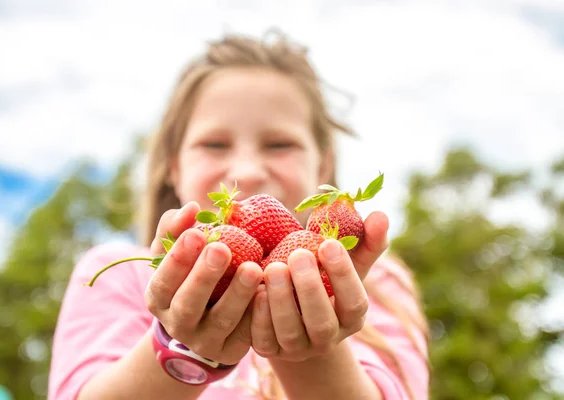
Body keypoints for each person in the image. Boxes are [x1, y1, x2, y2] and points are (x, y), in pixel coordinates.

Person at [48, 30, 430, 400]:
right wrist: (184, 350)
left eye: (280, 144)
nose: (246, 171)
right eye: (214, 144)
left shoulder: (378, 285)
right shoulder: (114, 272)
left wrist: (310, 349)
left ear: (323, 169)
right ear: (174, 168)